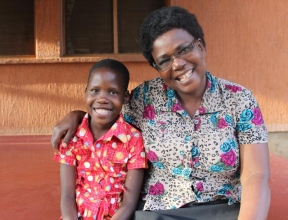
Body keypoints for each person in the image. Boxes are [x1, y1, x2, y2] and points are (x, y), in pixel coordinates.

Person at [52, 6, 270, 220]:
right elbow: (106, 112)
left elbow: (255, 175)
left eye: (184, 49)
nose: (178, 64)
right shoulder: (144, 99)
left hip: (223, 209)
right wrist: (77, 114)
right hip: (160, 211)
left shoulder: (239, 99)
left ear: (201, 47)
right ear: (156, 67)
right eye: (165, 60)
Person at [54, 59, 148, 220]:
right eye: (95, 90)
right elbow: (67, 196)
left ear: (125, 97)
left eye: (112, 92)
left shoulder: (133, 140)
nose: (102, 98)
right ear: (85, 92)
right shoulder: (71, 137)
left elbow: (129, 203)